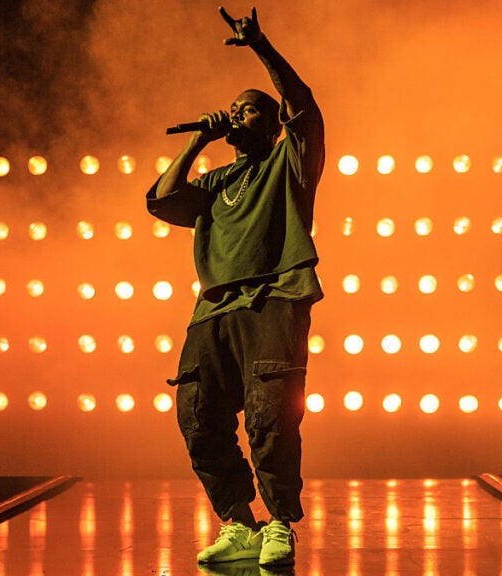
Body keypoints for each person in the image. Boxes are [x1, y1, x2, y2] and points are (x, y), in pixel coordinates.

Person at [145, 6, 325, 568]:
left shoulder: (290, 161)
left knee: (270, 416)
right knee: (197, 417)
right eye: (235, 108)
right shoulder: (216, 180)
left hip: (274, 299)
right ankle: (239, 522)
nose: (237, 114)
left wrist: (262, 48)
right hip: (214, 309)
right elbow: (161, 201)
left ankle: (280, 523)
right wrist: (199, 140)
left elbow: (304, 106)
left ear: (272, 124)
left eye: (250, 109)